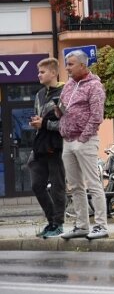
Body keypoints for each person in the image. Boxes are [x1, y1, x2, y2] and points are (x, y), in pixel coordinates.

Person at [58, 50, 109, 240]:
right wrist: (58, 111)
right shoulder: (69, 85)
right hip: (67, 140)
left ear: (82, 65)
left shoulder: (95, 86)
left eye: (71, 64)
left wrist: (82, 138)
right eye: (67, 64)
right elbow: (64, 109)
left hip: (84, 140)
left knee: (93, 183)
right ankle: (81, 225)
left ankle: (101, 225)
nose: (67, 68)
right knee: (75, 186)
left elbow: (97, 116)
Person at [29, 57, 66, 239]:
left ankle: (58, 224)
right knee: (36, 185)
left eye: (42, 72)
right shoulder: (39, 94)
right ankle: (51, 221)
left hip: (58, 146)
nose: (39, 75)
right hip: (41, 146)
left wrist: (44, 124)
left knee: (58, 186)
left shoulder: (65, 91)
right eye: (39, 72)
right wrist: (37, 123)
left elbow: (67, 124)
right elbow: (39, 118)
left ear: (53, 72)